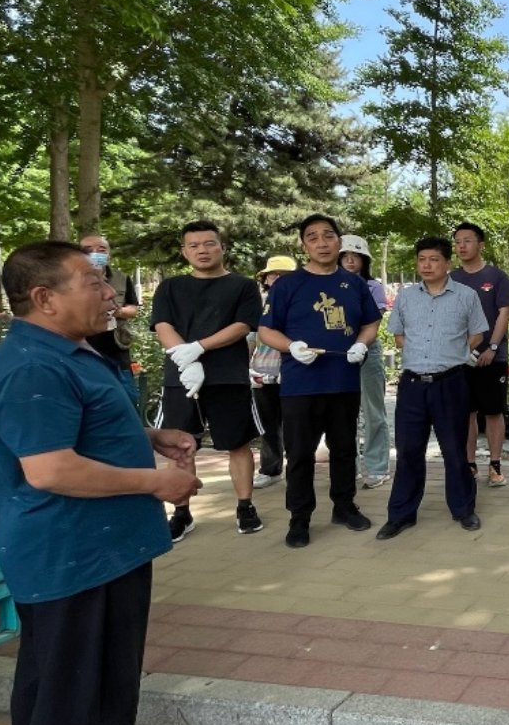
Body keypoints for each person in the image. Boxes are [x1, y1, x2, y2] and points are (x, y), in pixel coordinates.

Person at [0, 241, 199, 725]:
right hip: (78, 552)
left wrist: (150, 436)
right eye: (92, 283)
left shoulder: (64, 352)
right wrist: (157, 482)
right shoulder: (32, 367)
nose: (108, 294)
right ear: (44, 298)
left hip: (85, 549)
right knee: (87, 686)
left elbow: (77, 426)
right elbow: (51, 468)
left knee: (51, 675)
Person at [256, 214, 382, 548]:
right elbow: (266, 330)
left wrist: (361, 343)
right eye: (313, 237)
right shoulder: (287, 285)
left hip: (344, 381)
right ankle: (299, 518)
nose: (322, 243)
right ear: (303, 245)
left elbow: (371, 322)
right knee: (300, 454)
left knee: (344, 449)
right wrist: (291, 347)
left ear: (339, 241)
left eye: (328, 236)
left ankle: (344, 506)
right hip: (300, 384)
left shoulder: (354, 284)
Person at [149, 221, 265, 541]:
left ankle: (245, 505)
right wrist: (185, 358)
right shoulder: (169, 287)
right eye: (194, 245)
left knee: (238, 443)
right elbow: (162, 326)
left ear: (222, 247)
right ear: (184, 251)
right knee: (180, 447)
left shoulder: (243, 286)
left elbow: (242, 326)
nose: (202, 250)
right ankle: (181, 512)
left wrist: (199, 347)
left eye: (209, 243)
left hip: (228, 377)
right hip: (180, 379)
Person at [378, 236, 488, 540]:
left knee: (454, 450)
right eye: (422, 259)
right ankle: (401, 515)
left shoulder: (466, 296)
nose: (427, 265)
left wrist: (454, 352)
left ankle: (464, 509)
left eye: (434, 259)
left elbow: (478, 333)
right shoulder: (406, 297)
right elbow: (398, 335)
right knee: (408, 451)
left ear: (447, 263)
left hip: (450, 383)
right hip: (412, 385)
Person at [451, 222, 509, 488]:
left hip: (493, 357)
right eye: (458, 241)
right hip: (459, 358)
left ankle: (495, 464)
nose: (462, 246)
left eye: (467, 240)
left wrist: (492, 347)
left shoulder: (496, 276)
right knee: (465, 412)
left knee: (493, 411)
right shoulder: (451, 278)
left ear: (481, 244)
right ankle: (469, 464)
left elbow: (504, 314)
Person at [339, 234, 391, 489]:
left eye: (356, 256)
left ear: (364, 260)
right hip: (337, 352)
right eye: (345, 256)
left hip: (367, 350)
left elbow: (373, 320)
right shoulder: (327, 285)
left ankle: (377, 467)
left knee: (373, 411)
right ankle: (349, 467)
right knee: (342, 412)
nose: (350, 261)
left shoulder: (373, 286)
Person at [79, 232, 141, 405]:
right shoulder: (67, 280)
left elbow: (133, 309)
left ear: (109, 254)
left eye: (101, 249)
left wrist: (118, 311)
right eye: (88, 250)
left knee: (127, 400)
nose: (95, 253)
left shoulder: (121, 278)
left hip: (117, 350)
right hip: (83, 350)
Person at [249, 255, 294, 489]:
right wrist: (247, 367)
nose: (276, 279)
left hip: (292, 371)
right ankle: (270, 469)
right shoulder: (258, 304)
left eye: (283, 275)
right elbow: (250, 338)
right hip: (262, 371)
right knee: (267, 424)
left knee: (296, 423)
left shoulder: (300, 303)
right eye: (272, 275)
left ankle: (297, 469)